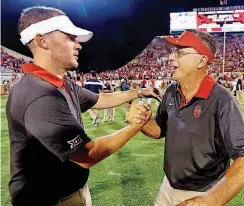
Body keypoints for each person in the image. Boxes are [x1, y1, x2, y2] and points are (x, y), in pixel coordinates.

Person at [6, 6, 160, 206]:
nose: (77, 45)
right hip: (49, 200)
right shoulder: (39, 95)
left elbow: (100, 100)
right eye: (70, 37)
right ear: (42, 41)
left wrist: (140, 92)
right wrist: (136, 125)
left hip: (70, 192)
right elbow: (87, 155)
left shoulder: (61, 82)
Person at [133, 30, 244, 206]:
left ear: (201, 61)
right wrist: (143, 121)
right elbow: (160, 129)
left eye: (180, 52)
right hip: (168, 186)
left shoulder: (222, 99)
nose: (171, 58)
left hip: (202, 192)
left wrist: (208, 201)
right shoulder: (171, 91)